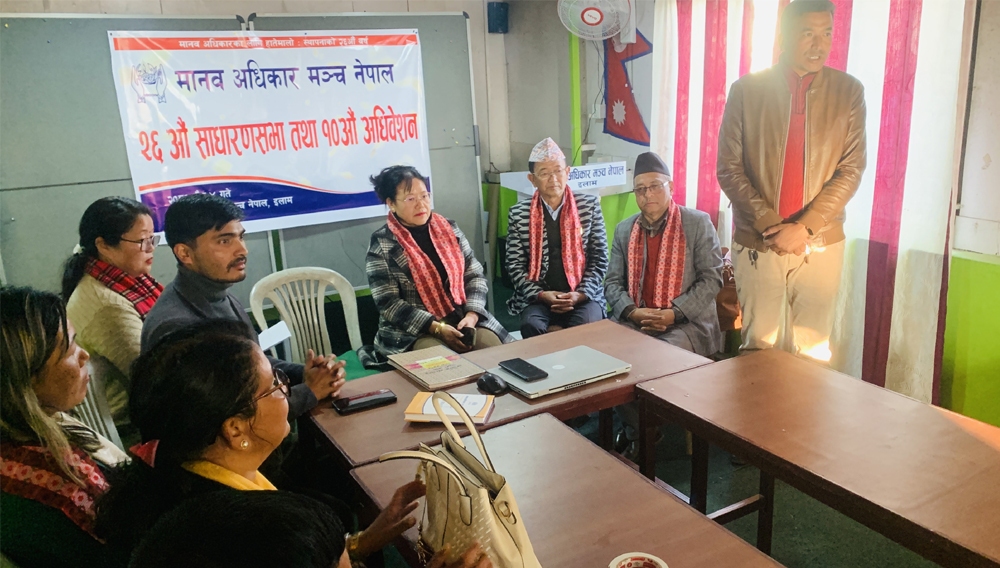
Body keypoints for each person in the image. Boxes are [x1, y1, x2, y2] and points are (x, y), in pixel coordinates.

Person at [97, 320, 491, 568]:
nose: (287, 390)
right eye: (275, 385)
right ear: (235, 429)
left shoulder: (180, 483)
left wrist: (357, 545)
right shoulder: (248, 536)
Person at [717, 0, 866, 359]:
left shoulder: (848, 91)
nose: (819, 44)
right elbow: (729, 168)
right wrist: (771, 224)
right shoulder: (747, 90)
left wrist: (805, 227)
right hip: (757, 238)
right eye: (808, 34)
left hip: (821, 240)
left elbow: (851, 170)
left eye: (826, 34)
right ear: (784, 36)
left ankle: (805, 404)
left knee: (813, 350)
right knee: (759, 346)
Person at [140, 193, 345, 419]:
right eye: (224, 241)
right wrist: (309, 392)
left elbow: (252, 364)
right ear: (185, 253)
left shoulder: (218, 294)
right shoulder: (176, 326)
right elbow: (230, 416)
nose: (242, 250)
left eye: (241, 237)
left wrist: (307, 374)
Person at [604, 152, 724, 458]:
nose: (648, 195)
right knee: (603, 360)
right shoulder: (624, 229)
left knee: (649, 360)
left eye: (655, 186)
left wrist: (674, 313)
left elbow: (712, 279)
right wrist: (632, 311)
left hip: (687, 324)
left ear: (670, 187)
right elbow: (612, 283)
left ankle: (642, 429)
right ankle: (643, 429)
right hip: (635, 320)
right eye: (640, 189)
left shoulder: (697, 223)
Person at [0, 287, 129, 567]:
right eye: (70, 350)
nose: (84, 356)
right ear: (27, 376)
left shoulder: (45, 422)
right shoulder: (58, 490)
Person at [365, 165, 510, 356]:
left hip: (462, 318)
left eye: (424, 196)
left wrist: (472, 315)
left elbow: (474, 275)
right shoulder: (382, 244)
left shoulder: (449, 228)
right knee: (442, 363)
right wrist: (436, 328)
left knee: (497, 353)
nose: (421, 205)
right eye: (410, 199)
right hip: (413, 331)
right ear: (391, 203)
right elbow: (389, 304)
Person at [63, 196, 163, 446]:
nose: (151, 248)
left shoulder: (129, 281)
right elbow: (157, 379)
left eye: (153, 238)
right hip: (134, 431)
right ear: (104, 245)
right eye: (142, 241)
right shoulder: (108, 304)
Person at [505, 138, 608, 338]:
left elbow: (600, 259)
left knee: (584, 328)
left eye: (558, 171)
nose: (553, 179)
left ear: (567, 172)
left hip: (583, 295)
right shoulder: (519, 213)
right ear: (532, 179)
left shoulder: (589, 206)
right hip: (538, 297)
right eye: (544, 173)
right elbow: (514, 265)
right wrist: (541, 295)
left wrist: (580, 294)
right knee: (532, 326)